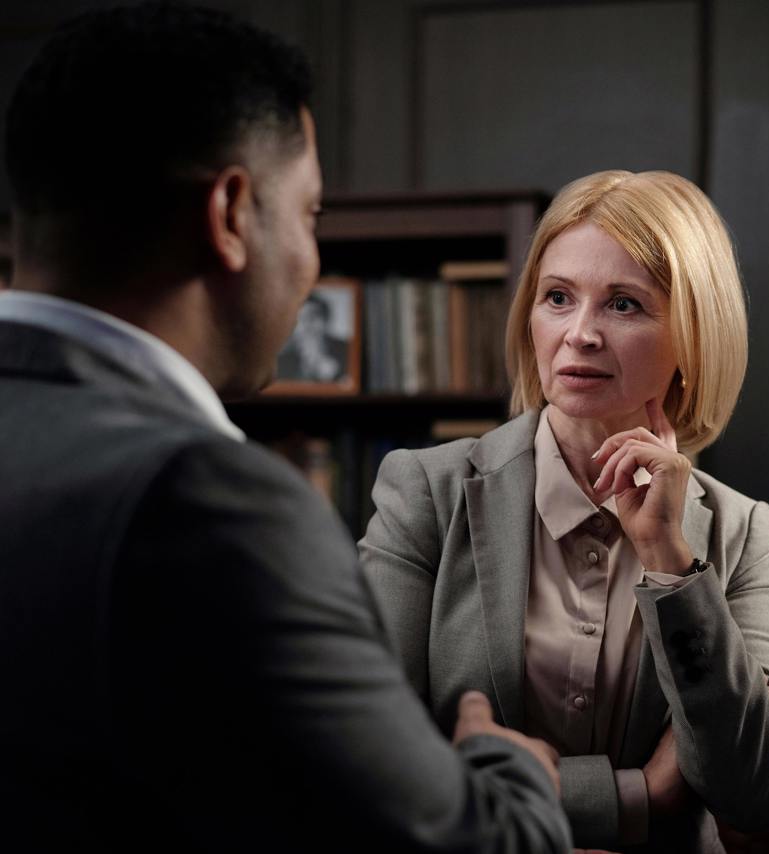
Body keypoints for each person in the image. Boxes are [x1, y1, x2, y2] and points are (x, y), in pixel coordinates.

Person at [0, 4, 570, 851]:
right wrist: (512, 769)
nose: (313, 267)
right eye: (310, 216)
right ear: (231, 213)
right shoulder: (211, 507)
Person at [360, 169, 769, 852]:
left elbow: (759, 791)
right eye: (558, 297)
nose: (580, 334)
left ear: (694, 337)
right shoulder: (426, 493)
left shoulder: (741, 531)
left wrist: (670, 561)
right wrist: (641, 795)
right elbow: (366, 758)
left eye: (623, 304)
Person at [277, 292, 350, 382]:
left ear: (326, 320)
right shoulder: (283, 356)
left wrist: (335, 375)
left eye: (312, 317)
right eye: (300, 319)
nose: (306, 325)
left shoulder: (348, 349)